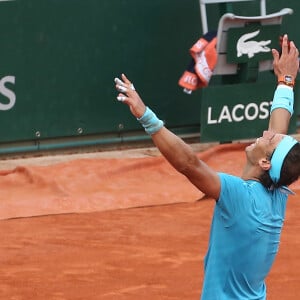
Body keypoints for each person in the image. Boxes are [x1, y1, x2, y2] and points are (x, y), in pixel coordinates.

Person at [114, 34, 300, 299]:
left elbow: (190, 164)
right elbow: (278, 126)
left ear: (264, 162)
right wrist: (286, 81)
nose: (267, 132)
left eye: (270, 139)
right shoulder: (277, 191)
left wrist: (147, 117)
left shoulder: (239, 196)